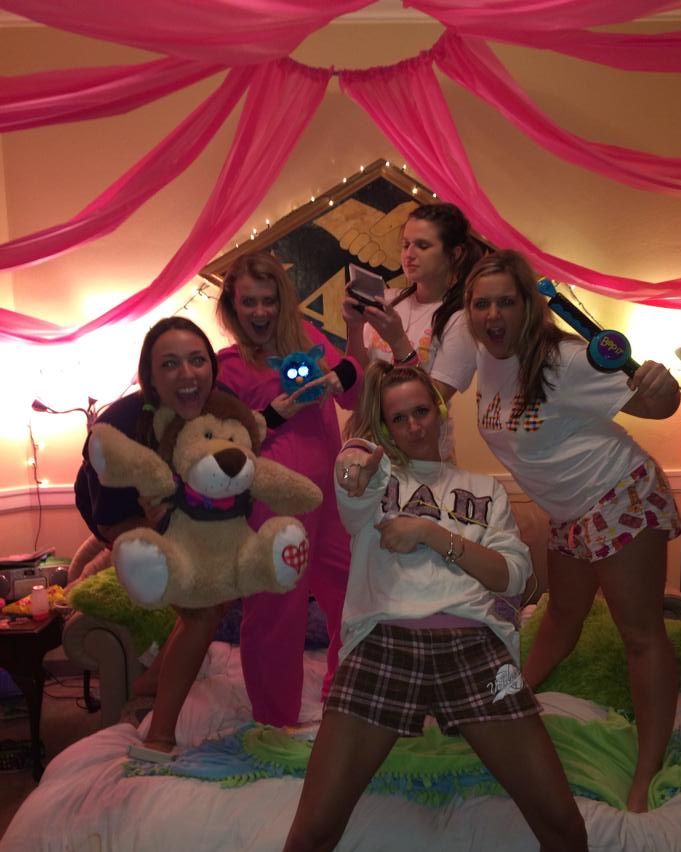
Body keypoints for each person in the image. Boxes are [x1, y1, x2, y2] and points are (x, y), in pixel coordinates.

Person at [269, 362, 599, 852]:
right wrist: (353, 462)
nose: (414, 425)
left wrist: (430, 532)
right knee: (314, 828)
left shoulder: (484, 489)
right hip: (386, 643)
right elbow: (352, 479)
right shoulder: (374, 476)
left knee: (562, 824)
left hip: (473, 647)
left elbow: (515, 576)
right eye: (399, 417)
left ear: (438, 412)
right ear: (387, 427)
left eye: (422, 411)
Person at [465, 249, 681, 813]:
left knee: (641, 633)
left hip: (618, 495)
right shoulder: (485, 358)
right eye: (481, 302)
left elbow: (659, 404)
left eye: (506, 302)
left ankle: (646, 773)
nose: (493, 314)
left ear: (530, 306)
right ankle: (512, 698)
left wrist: (661, 383)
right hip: (569, 513)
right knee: (562, 615)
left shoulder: (567, 359)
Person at [216, 251, 363, 727]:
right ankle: (276, 720)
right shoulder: (226, 368)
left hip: (331, 502)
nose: (260, 312)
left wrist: (354, 335)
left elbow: (356, 392)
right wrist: (276, 412)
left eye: (269, 301)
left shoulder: (310, 340)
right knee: (277, 613)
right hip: (274, 510)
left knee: (355, 596)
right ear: (233, 307)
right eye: (249, 302)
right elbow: (224, 446)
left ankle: (345, 695)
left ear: (283, 302)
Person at [75, 316, 228, 758]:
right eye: (171, 364)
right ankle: (159, 735)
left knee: (219, 589)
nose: (187, 374)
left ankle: (150, 679)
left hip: (184, 512)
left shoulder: (220, 410)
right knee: (202, 610)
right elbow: (107, 515)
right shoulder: (119, 425)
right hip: (119, 517)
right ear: (151, 377)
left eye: (198, 360)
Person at [343, 202, 484, 404]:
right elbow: (359, 382)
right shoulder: (389, 299)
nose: (409, 254)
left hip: (417, 434)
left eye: (423, 246)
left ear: (455, 254)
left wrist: (398, 341)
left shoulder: (461, 320)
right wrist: (354, 327)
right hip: (367, 430)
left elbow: (431, 402)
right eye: (406, 244)